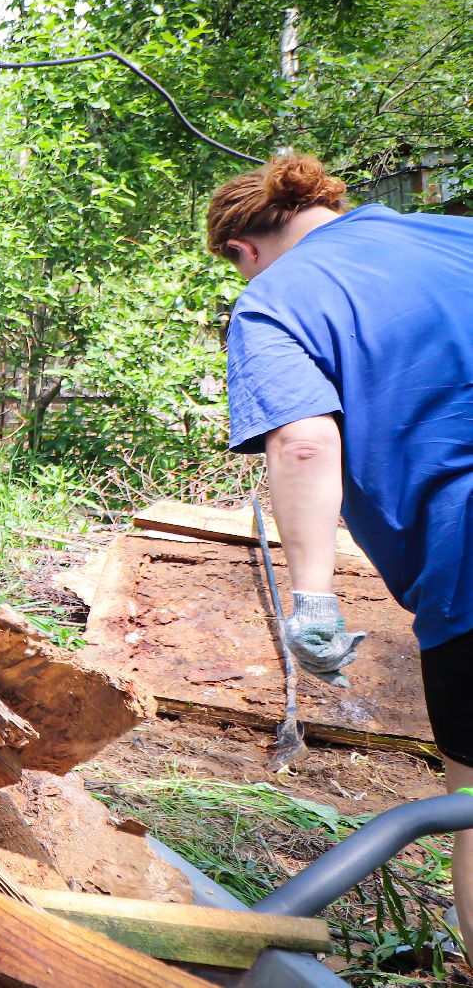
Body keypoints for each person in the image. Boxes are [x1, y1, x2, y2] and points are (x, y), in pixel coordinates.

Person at [209, 153, 473, 932]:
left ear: (242, 251)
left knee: (470, 803)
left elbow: (302, 443)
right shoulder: (457, 236)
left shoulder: (275, 300)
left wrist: (314, 601)